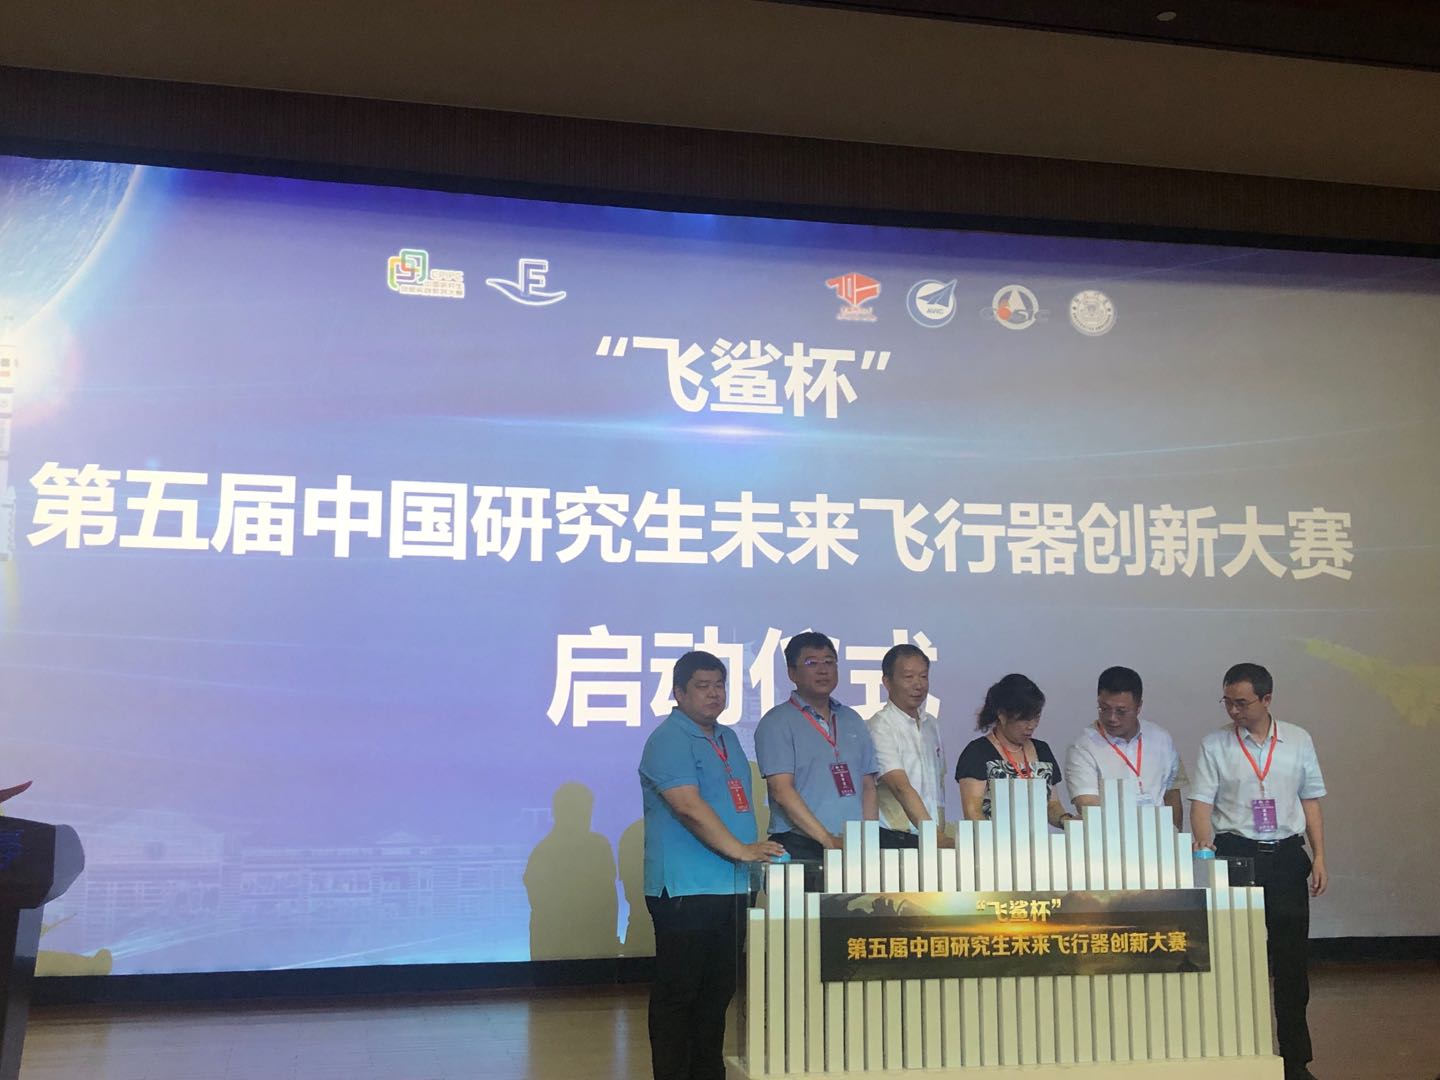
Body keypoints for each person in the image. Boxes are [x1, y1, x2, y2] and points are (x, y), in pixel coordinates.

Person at [639, 650, 785, 1080]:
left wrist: (747, 859)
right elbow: (687, 806)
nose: (713, 694)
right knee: (679, 995)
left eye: (719, 685)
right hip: (686, 889)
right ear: (678, 692)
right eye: (702, 686)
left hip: (732, 886)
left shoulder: (728, 738)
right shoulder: (668, 739)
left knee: (717, 994)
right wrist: (740, 850)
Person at [1190, 663, 1327, 1080]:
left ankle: (1295, 1061)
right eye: (1227, 702)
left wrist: (1320, 856)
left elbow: (1310, 801)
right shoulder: (1215, 744)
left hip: (1286, 856)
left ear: (1267, 699)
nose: (1234, 711)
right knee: (1235, 960)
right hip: (1236, 855)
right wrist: (1204, 853)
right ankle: (1239, 1053)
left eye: (1242, 703)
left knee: (1291, 963)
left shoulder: (1298, 740)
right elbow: (1201, 805)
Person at [755, 631, 879, 868]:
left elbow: (868, 786)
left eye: (829, 662)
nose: (823, 670)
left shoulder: (852, 719)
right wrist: (827, 840)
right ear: (792, 673)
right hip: (800, 846)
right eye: (812, 663)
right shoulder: (776, 722)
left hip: (853, 848)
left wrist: (869, 840)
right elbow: (781, 790)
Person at [1064, 666, 1187, 829]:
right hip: (1110, 838)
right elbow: (1087, 805)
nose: (1112, 718)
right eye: (1104, 709)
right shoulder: (1083, 747)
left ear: (1138, 707)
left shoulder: (1161, 738)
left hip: (1160, 837)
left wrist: (1175, 837)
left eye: (1121, 711)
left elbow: (1172, 794)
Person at [955, 673, 1073, 827]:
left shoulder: (1042, 750)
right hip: (994, 840)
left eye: (1036, 717)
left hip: (1037, 840)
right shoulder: (977, 753)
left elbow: (1052, 805)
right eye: (1024, 719)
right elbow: (973, 813)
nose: (1031, 726)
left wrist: (1065, 820)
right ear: (1002, 715)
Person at [866, 643, 952, 849]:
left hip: (932, 838)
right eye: (908, 677)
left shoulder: (932, 724)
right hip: (896, 839)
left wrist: (937, 833)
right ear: (887, 682)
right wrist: (934, 836)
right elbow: (900, 786)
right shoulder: (880, 726)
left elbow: (937, 785)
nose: (918, 685)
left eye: (923, 676)